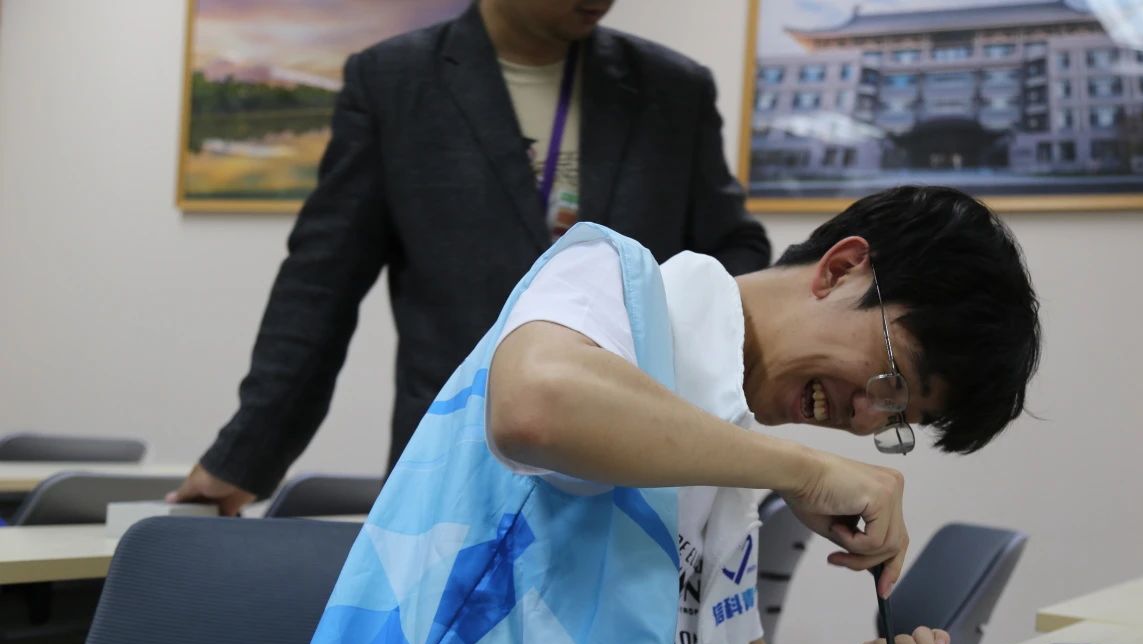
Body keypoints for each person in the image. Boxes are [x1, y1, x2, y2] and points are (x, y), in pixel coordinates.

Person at [216, 186, 1041, 644]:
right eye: (892, 378)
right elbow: (535, 407)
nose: (864, 417)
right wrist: (801, 469)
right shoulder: (609, 278)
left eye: (895, 418)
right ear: (843, 267)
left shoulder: (728, 448)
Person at [170, 0, 770, 515]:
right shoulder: (394, 82)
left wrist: (659, 328)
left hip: (636, 467)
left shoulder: (672, 89)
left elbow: (736, 250)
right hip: (450, 473)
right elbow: (320, 286)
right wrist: (243, 458)